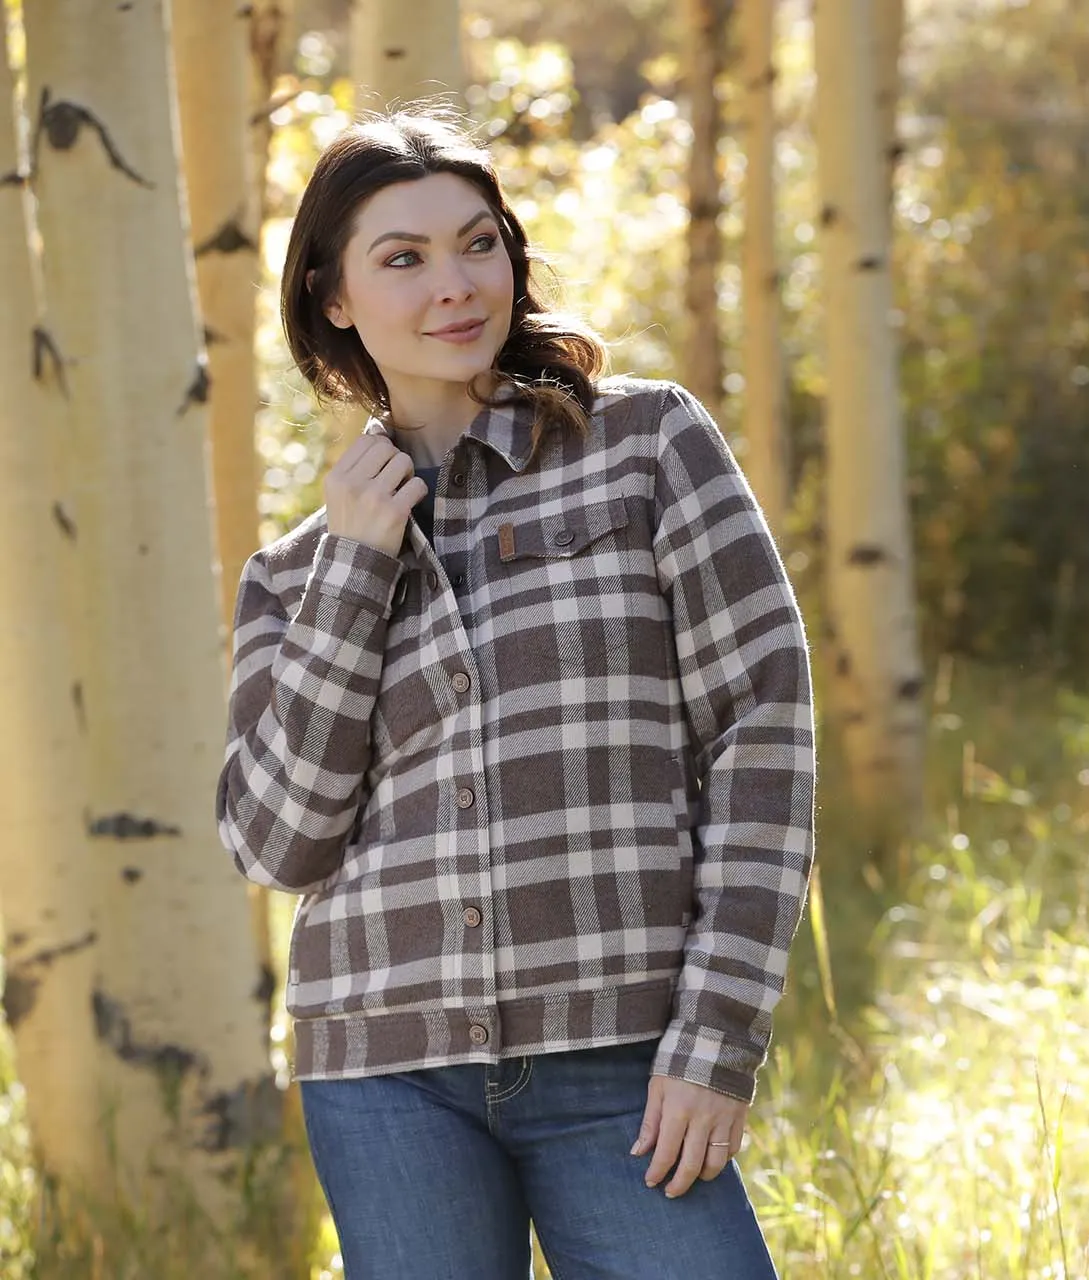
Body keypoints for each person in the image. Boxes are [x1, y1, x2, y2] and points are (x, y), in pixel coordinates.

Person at [215, 108, 813, 1280]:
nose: (455, 283)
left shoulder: (645, 445)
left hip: (624, 1055)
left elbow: (764, 726)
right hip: (385, 1077)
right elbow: (275, 842)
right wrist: (355, 567)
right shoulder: (293, 573)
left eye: (477, 242)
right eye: (404, 257)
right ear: (334, 297)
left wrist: (716, 1037)